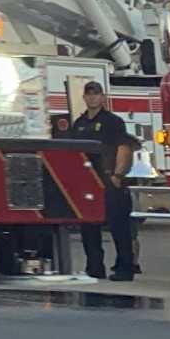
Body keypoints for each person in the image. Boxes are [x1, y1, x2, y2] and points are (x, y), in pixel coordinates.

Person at [64, 81, 139, 280]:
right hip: (87, 182)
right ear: (84, 97)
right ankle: (94, 268)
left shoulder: (113, 122)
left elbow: (125, 148)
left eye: (96, 94)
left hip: (109, 180)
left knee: (119, 227)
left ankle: (125, 269)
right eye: (89, 94)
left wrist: (117, 176)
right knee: (89, 227)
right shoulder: (79, 124)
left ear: (103, 97)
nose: (92, 97)